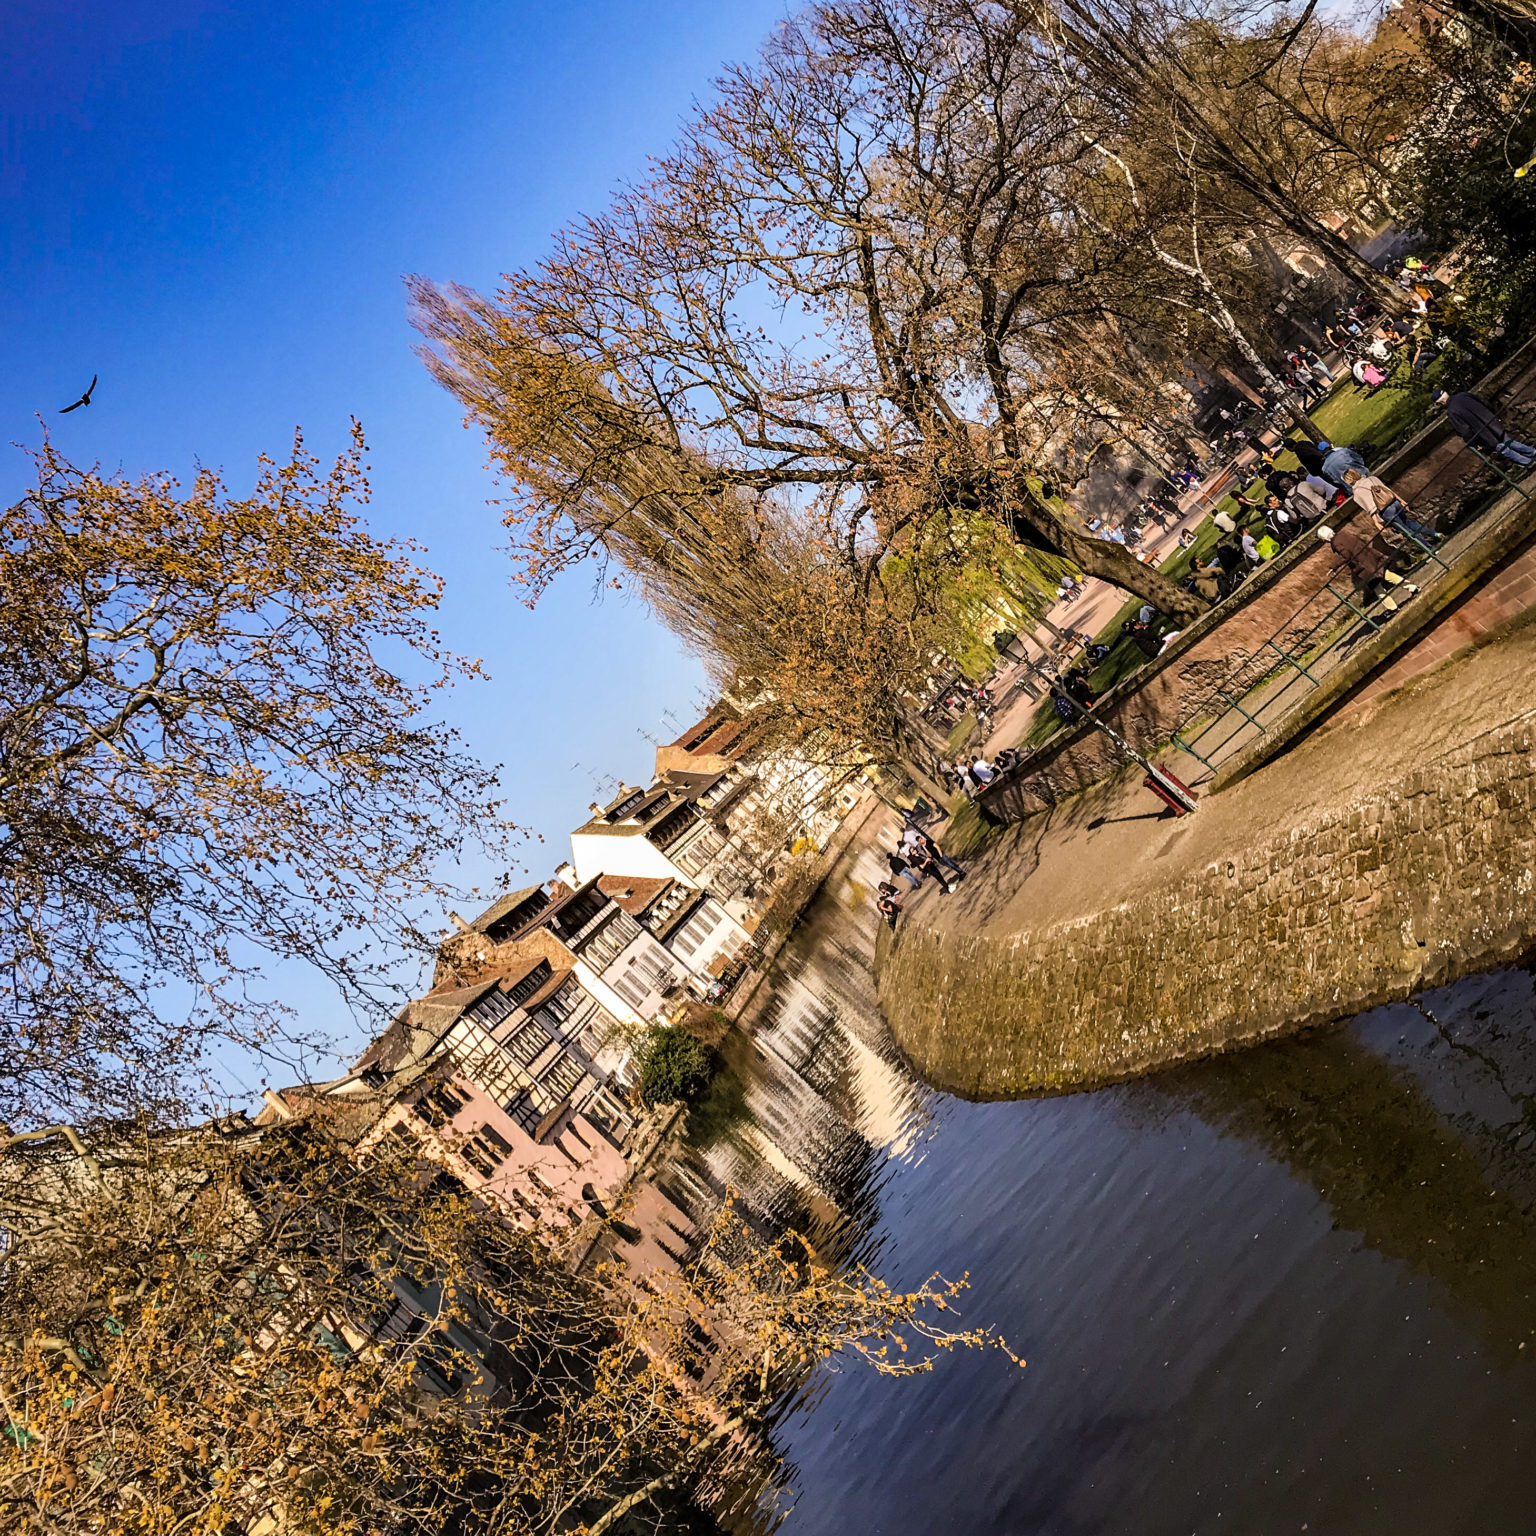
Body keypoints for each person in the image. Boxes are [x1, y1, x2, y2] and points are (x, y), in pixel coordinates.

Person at [1318, 524, 1419, 610]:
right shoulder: (1344, 533)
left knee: (1377, 585)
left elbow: (1345, 555)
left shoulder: (1336, 543)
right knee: (1386, 577)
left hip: (1364, 566)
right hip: (1370, 557)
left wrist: (1334, 566)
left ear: (1325, 538)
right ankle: (1411, 589)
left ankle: (1393, 607)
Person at [1433, 389, 1536, 466]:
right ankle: (1532, 453)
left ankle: (1528, 462)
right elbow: (1484, 403)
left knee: (1503, 449)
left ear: (1440, 402)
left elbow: (1465, 430)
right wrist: (1494, 416)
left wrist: (1473, 443)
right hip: (1492, 422)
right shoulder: (1463, 395)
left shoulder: (1451, 412)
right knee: (1508, 441)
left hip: (1483, 433)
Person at [1340, 467, 1440, 546]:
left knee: (1407, 532)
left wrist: (1376, 522)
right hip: (1394, 503)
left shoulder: (1357, 493)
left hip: (1386, 511)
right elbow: (1388, 491)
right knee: (1410, 523)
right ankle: (1435, 534)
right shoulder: (1372, 479)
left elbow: (1370, 508)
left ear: (1348, 481)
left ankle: (1429, 548)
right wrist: (1401, 501)